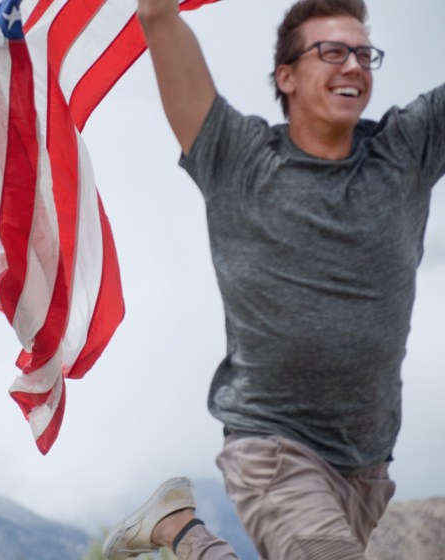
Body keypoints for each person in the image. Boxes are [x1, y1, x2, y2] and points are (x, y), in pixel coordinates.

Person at [102, 0, 445, 559]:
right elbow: (158, 16)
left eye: (364, 55)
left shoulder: (404, 153)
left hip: (367, 464)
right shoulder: (238, 158)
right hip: (271, 446)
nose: (353, 65)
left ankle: (182, 534)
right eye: (332, 52)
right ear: (286, 76)